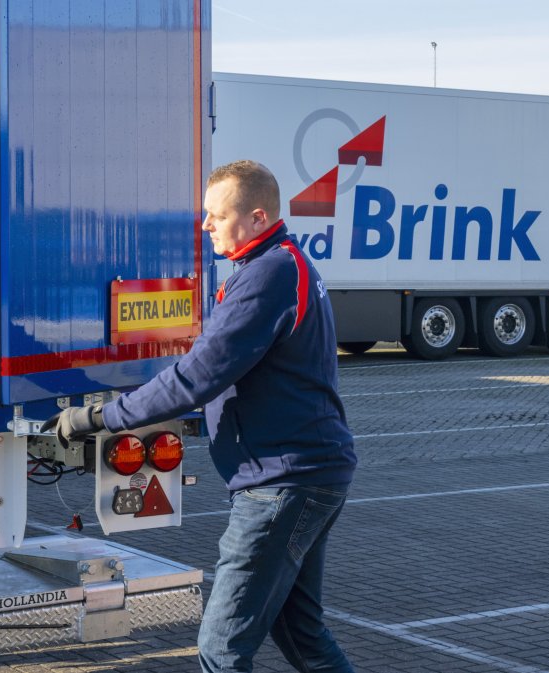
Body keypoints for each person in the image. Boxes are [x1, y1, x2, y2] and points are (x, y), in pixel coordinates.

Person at [43, 160, 357, 673]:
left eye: (216, 215)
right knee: (300, 630)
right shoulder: (284, 263)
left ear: (257, 217)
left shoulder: (268, 275)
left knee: (221, 646)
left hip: (281, 483)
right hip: (307, 473)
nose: (205, 225)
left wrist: (100, 417)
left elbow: (196, 377)